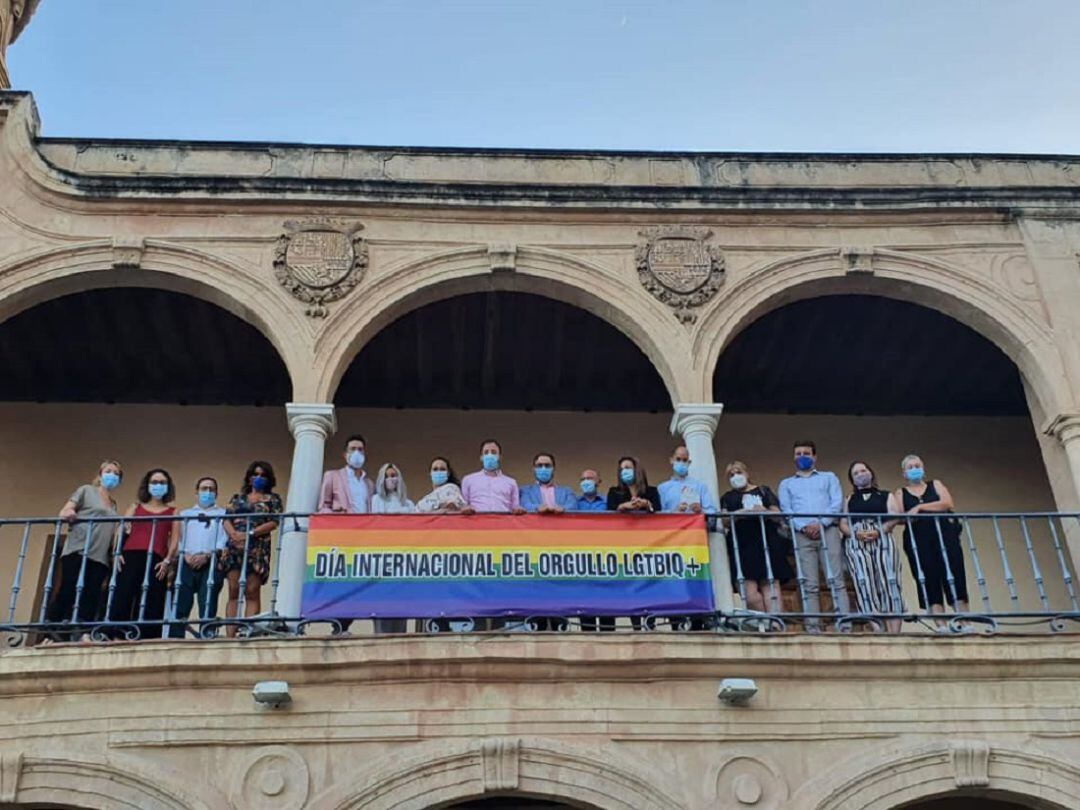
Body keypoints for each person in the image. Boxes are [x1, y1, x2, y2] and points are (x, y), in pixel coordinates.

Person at [46, 460, 123, 642]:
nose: (112, 475)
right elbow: (66, 510)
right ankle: (52, 632)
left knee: (91, 594)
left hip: (100, 555)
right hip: (79, 549)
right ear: (100, 473)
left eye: (116, 473)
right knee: (68, 589)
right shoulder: (86, 490)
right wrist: (69, 513)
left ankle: (84, 633)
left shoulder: (113, 504)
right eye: (108, 471)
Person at [889, 454, 969, 627]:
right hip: (919, 541)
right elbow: (901, 517)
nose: (914, 469)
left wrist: (919, 507)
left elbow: (947, 504)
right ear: (904, 473)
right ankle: (942, 626)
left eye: (917, 465)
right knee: (929, 580)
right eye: (910, 467)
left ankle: (965, 623)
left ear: (923, 469)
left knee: (955, 577)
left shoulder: (936, 485)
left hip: (945, 536)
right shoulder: (900, 493)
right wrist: (918, 512)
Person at [777, 440, 850, 631]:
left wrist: (821, 523)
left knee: (836, 580)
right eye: (798, 453)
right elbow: (786, 510)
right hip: (802, 536)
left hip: (828, 531)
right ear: (794, 457)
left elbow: (836, 503)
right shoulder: (787, 484)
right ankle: (813, 628)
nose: (802, 457)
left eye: (806, 453)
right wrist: (804, 527)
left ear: (815, 456)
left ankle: (843, 626)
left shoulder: (829, 478)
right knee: (809, 584)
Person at [110, 468, 179, 640]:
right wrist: (116, 552)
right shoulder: (135, 507)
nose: (158, 486)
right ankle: (117, 635)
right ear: (147, 485)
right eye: (154, 482)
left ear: (168, 487)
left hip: (157, 559)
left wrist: (167, 560)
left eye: (162, 482)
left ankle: (146, 638)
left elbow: (176, 540)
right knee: (123, 593)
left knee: (153, 599)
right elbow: (121, 530)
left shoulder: (173, 511)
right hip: (131, 554)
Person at [720, 460, 793, 614]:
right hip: (742, 545)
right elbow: (724, 520)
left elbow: (777, 514)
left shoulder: (763, 491)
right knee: (749, 594)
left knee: (770, 586)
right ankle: (765, 622)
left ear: (747, 473)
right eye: (731, 475)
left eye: (738, 472)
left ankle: (776, 627)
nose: (736, 476)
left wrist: (762, 510)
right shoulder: (728, 497)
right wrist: (738, 514)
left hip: (766, 541)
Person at [839, 462, 904, 633]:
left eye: (864, 470)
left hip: (882, 539)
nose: (861, 474)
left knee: (889, 582)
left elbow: (895, 516)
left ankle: (894, 632)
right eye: (856, 473)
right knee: (864, 583)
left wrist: (879, 530)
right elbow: (843, 523)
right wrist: (854, 534)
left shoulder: (885, 495)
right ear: (852, 479)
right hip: (856, 542)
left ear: (871, 473)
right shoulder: (849, 499)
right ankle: (878, 629)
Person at [222, 461, 283, 636]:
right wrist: (234, 535)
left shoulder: (273, 499)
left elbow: (273, 522)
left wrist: (249, 534)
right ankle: (230, 636)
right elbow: (226, 519)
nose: (258, 478)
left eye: (263, 475)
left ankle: (248, 633)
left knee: (252, 590)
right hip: (235, 546)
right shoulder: (237, 498)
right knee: (233, 590)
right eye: (255, 474)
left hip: (257, 546)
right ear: (249, 478)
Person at [168, 477, 227, 638]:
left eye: (211, 489)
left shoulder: (223, 514)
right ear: (197, 492)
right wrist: (185, 554)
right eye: (204, 488)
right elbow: (177, 538)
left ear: (216, 493)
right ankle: (176, 637)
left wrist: (208, 555)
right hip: (185, 561)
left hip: (211, 561)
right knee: (181, 602)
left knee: (208, 601)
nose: (207, 492)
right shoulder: (185, 514)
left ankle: (207, 635)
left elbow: (224, 539)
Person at [607, 456, 661, 630]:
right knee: (629, 584)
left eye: (628, 468)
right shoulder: (614, 492)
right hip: (624, 544)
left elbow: (660, 513)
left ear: (637, 470)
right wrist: (622, 507)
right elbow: (607, 514)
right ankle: (636, 626)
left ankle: (649, 625)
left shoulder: (651, 491)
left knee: (648, 585)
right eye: (622, 469)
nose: (625, 472)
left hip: (648, 544)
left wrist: (646, 504)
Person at [369, 462, 414, 634]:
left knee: (401, 603)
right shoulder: (376, 500)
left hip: (403, 560)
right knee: (382, 602)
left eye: (394, 475)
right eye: (387, 476)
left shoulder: (409, 504)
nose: (391, 479)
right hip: (383, 558)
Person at [461, 440, 525, 514]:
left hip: (504, 523)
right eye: (486, 452)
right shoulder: (468, 480)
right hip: (476, 523)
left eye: (494, 452)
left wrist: (519, 510)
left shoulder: (511, 482)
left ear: (500, 457)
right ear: (481, 457)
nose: (489, 455)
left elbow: (515, 508)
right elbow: (463, 506)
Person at [319, 434, 374, 514]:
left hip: (365, 525)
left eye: (360, 449)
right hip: (342, 524)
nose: (357, 452)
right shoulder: (332, 476)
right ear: (345, 455)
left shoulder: (369, 484)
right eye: (353, 449)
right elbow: (324, 507)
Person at [658, 445, 718, 515]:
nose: (681, 462)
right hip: (672, 525)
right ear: (671, 460)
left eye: (684, 460)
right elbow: (658, 514)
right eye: (678, 459)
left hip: (695, 525)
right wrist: (674, 511)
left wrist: (700, 510)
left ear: (689, 463)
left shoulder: (700, 487)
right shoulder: (662, 488)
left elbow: (712, 512)